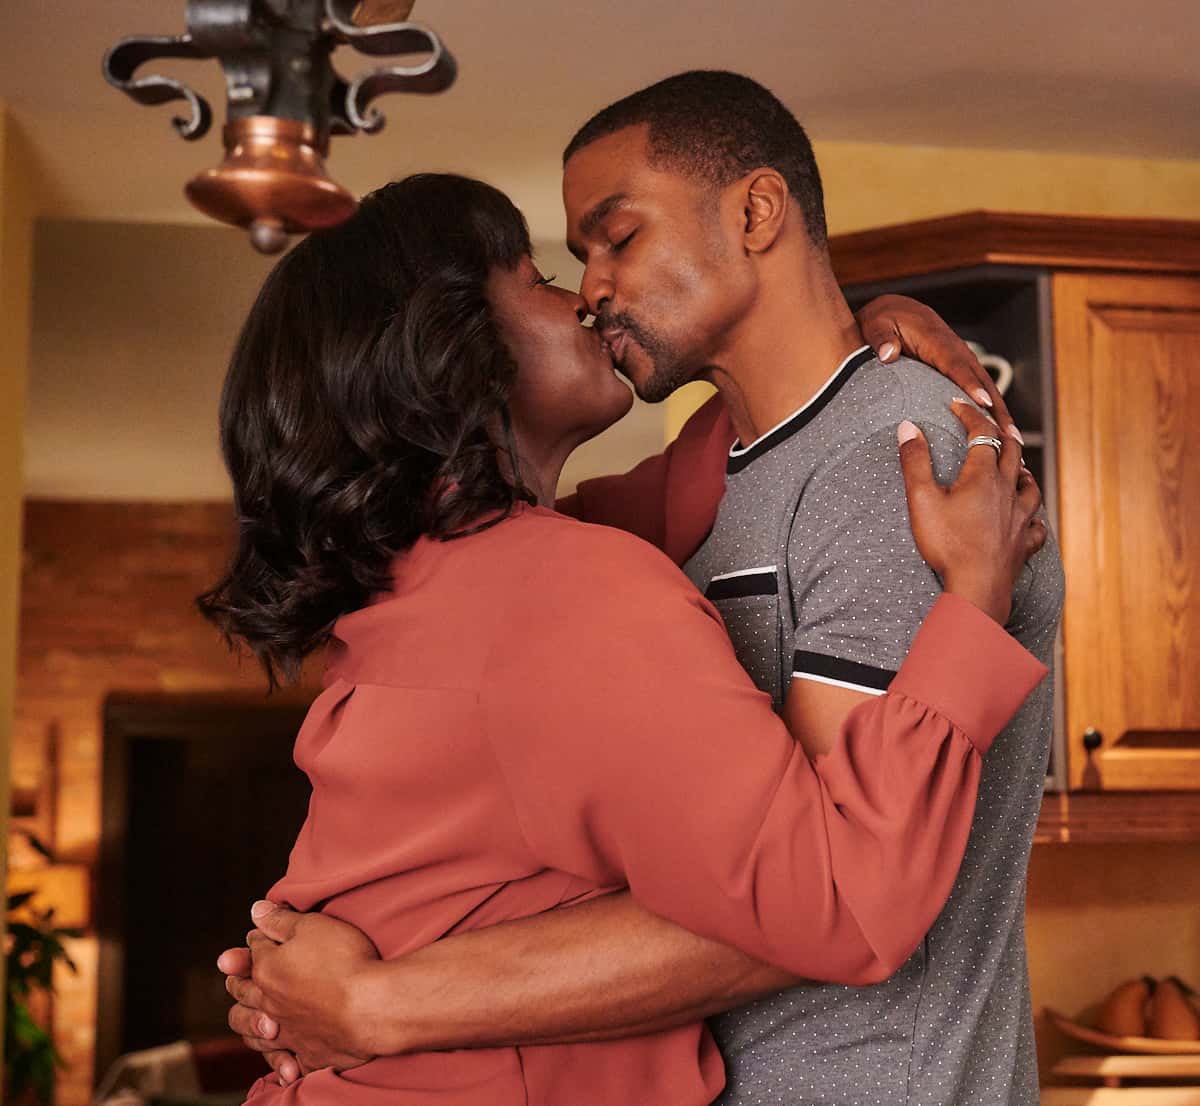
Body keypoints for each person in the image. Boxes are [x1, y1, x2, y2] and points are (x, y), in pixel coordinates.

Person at [222, 73, 1064, 1106]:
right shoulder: (560, 584)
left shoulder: (460, 572)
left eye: (613, 240)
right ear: (449, 351)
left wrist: (869, 343)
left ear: (756, 213)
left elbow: (740, 450)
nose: (585, 293)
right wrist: (969, 602)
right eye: (544, 275)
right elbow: (842, 897)